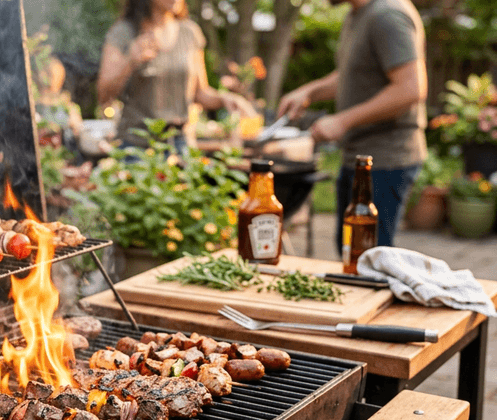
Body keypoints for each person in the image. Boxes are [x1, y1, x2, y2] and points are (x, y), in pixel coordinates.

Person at [277, 0, 427, 252]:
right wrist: (310, 91)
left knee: (369, 257)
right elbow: (354, 72)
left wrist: (342, 120)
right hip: (358, 156)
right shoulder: (358, 14)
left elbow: (411, 88)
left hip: (384, 160)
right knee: (348, 249)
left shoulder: (387, 15)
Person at [96, 0, 257, 155]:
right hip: (137, 145)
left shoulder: (190, 32)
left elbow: (200, 93)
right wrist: (129, 61)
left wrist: (226, 98)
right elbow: (104, 94)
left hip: (180, 143)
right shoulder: (124, 32)